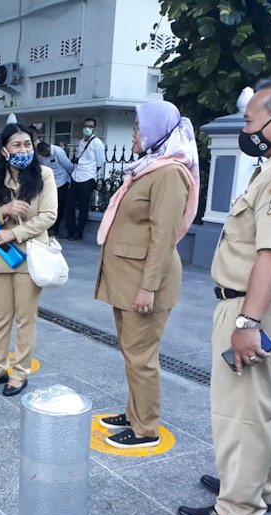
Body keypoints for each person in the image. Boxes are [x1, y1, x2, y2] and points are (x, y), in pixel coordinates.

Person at [178, 75, 271, 515]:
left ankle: (239, 511)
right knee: (267, 409)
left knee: (243, 413)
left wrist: (246, 321)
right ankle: (258, 488)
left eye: (251, 119)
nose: (245, 128)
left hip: (260, 307)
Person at [94, 101, 199, 449]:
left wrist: (148, 288)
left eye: (139, 128)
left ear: (156, 132)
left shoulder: (170, 173)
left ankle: (145, 429)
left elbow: (163, 237)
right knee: (132, 352)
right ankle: (134, 413)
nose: (135, 134)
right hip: (129, 278)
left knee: (142, 357)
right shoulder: (149, 168)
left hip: (145, 282)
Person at [0, 124, 57, 396]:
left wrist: (15, 232)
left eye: (28, 145)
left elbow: (49, 215)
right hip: (0, 258)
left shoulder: (44, 175)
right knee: (0, 318)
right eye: (17, 145)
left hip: (30, 257)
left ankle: (20, 374)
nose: (24, 150)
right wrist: (5, 210)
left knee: (25, 318)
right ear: (5, 150)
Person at [65, 117, 105, 240]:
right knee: (69, 205)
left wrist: (92, 172)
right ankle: (71, 230)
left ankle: (79, 232)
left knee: (83, 207)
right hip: (76, 175)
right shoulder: (81, 141)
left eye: (90, 126)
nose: (87, 128)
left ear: (94, 128)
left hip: (88, 177)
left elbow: (101, 161)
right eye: (86, 125)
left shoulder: (97, 142)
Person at [37, 141, 73, 236]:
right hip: (51, 182)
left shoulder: (58, 152)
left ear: (47, 149)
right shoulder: (43, 156)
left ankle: (55, 229)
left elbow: (69, 166)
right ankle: (49, 227)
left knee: (59, 206)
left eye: (43, 154)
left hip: (62, 181)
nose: (42, 156)